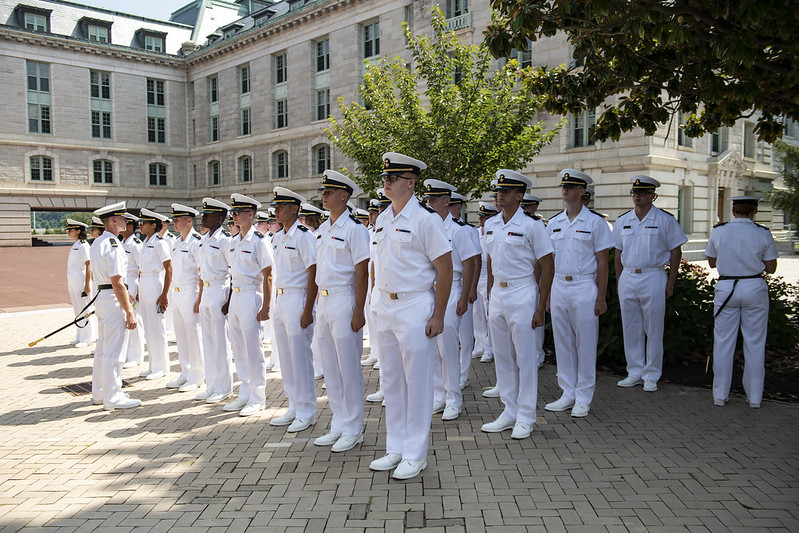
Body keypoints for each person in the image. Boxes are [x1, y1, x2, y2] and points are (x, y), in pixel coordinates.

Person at [369, 152, 452, 480]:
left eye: (392, 179)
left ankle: (415, 454)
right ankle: (396, 447)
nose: (386, 183)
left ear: (411, 183)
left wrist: (439, 314)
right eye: (385, 178)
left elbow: (444, 269)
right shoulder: (383, 218)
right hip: (385, 307)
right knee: (391, 381)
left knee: (417, 383)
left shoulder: (425, 220)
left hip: (415, 306)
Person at [481, 170, 554, 439]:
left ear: (519, 196)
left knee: (525, 358)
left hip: (523, 291)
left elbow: (548, 265)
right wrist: (489, 294)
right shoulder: (490, 224)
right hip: (499, 293)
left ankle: (526, 415)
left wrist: (540, 306)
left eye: (506, 191)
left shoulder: (533, 226)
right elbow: (490, 261)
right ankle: (509, 411)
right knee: (502, 357)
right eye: (499, 191)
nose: (500, 195)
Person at [545, 169, 613, 418]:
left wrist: (601, 296)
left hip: (584, 286)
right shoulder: (554, 223)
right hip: (560, 285)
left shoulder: (596, 223)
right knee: (562, 343)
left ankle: (584, 396)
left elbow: (603, 262)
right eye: (564, 186)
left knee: (585, 343)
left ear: (583, 191)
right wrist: (548, 294)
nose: (565, 190)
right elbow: (549, 263)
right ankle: (567, 392)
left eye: (571, 186)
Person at [312, 170, 370, 452]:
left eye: (329, 192)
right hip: (324, 302)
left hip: (344, 299)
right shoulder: (322, 229)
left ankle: (353, 427)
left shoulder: (355, 230)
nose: (323, 195)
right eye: (323, 191)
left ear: (344, 196)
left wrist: (359, 310)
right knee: (331, 369)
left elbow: (362, 273)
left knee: (348, 369)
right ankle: (338, 422)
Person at [613, 176, 687, 392]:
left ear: (653, 196)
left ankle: (652, 374)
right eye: (635, 192)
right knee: (631, 326)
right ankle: (634, 371)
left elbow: (676, 252)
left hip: (653, 275)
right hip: (628, 276)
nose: (637, 196)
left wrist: (671, 282)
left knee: (654, 327)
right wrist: (620, 281)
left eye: (643, 193)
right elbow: (618, 253)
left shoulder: (665, 220)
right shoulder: (623, 220)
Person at [706, 196, 778, 409]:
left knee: (723, 342)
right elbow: (771, 267)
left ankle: (720, 395)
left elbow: (711, 262)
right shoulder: (762, 233)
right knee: (755, 343)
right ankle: (754, 398)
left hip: (727, 287)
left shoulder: (719, 231)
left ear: (733, 210)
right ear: (754, 211)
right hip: (753, 286)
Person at [424, 180, 479, 421]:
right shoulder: (426, 226)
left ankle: (453, 397)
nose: (429, 203)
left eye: (434, 199)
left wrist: (465, 296)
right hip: (429, 290)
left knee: (448, 349)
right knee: (433, 349)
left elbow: (469, 264)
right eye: (428, 199)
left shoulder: (458, 230)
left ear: (447, 201)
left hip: (453, 287)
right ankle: (438, 395)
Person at [268, 187, 319, 431]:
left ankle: (307, 409)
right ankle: (293, 405)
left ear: (294, 209)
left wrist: (308, 309)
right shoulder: (278, 237)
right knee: (286, 358)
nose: (276, 210)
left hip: (298, 300)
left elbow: (313, 273)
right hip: (281, 299)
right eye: (275, 206)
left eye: (281, 206)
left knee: (300, 358)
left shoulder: (304, 236)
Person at [222, 194, 273, 417]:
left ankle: (257, 396)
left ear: (250, 215)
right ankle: (244, 391)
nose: (233, 216)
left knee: (253, 349)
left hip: (252, 295)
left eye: (237, 212)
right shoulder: (233, 242)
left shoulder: (259, 241)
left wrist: (266, 306)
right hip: (236, 296)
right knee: (238, 348)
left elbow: (268, 274)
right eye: (232, 213)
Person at [89, 202, 140, 410]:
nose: (126, 221)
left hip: (102, 296)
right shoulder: (113, 244)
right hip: (112, 298)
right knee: (114, 351)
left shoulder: (97, 242)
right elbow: (118, 280)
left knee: (102, 348)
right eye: (123, 218)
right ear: (113, 220)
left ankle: (100, 392)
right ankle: (113, 396)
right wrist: (129, 311)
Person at [196, 198, 235, 404]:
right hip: (207, 291)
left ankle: (224, 387)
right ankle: (211, 385)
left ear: (219, 218)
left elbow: (233, 270)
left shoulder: (225, 241)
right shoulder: (204, 240)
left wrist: (229, 299)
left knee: (221, 342)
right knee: (208, 342)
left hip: (220, 289)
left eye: (207, 214)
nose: (203, 217)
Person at [167, 203, 205, 393]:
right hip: (177, 292)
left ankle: (197, 375)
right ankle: (185, 371)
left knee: (193, 335)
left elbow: (201, 273)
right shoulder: (176, 242)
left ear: (189, 220)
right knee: (181, 335)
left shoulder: (196, 241)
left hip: (191, 292)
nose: (174, 222)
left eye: (178, 219)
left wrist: (199, 298)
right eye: (173, 219)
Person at [448, 192, 482, 390]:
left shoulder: (467, 230)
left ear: (458, 207)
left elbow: (474, 261)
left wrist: (471, 288)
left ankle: (463, 373)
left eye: (452, 205)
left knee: (465, 333)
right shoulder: (436, 226)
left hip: (461, 285)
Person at [137, 208, 172, 381]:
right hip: (144, 284)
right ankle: (153, 365)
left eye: (144, 223)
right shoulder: (145, 242)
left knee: (157, 327)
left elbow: (168, 268)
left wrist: (164, 294)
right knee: (148, 328)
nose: (140, 226)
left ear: (153, 225)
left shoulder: (160, 243)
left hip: (154, 284)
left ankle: (162, 366)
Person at [521, 193, 547, 368]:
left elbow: (542, 260)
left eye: (527, 207)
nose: (524, 210)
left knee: (534, 323)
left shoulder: (536, 225)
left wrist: (538, 282)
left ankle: (538, 354)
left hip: (528, 282)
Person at [65, 219, 95, 348]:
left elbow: (89, 265)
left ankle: (87, 337)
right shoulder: (76, 244)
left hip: (81, 278)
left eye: (71, 230)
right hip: (73, 279)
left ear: (78, 231)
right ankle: (80, 336)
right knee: (77, 308)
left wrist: (87, 284)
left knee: (85, 308)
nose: (69, 232)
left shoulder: (83, 245)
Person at [120, 214, 145, 369]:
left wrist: (138, 291)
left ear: (130, 226)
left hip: (133, 283)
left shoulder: (136, 244)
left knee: (136, 319)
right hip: (124, 282)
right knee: (126, 318)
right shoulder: (122, 243)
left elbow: (142, 268)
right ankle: (128, 353)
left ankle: (136, 356)